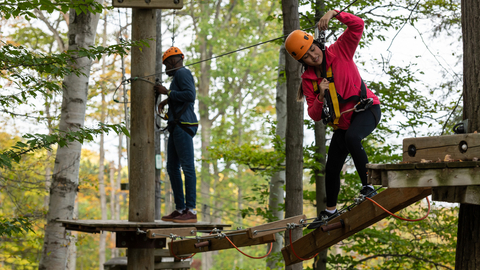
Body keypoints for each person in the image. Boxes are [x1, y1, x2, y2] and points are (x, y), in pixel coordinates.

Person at [284, 10, 381, 229]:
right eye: (306, 56)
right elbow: (314, 114)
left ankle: (368, 186)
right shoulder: (308, 80)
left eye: (313, 49)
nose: (313, 55)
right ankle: (330, 211)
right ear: (302, 61)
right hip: (343, 124)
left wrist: (335, 14)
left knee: (353, 138)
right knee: (332, 167)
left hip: (367, 110)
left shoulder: (340, 50)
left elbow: (358, 26)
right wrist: (319, 95)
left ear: (317, 43)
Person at [155, 47, 199, 223]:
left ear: (174, 61)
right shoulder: (177, 78)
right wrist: (167, 100)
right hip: (176, 126)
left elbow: (190, 95)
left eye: (167, 64)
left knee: (187, 167)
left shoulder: (182, 73)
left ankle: (191, 210)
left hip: (184, 125)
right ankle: (180, 209)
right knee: (172, 168)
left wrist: (167, 92)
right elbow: (181, 96)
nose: (166, 68)